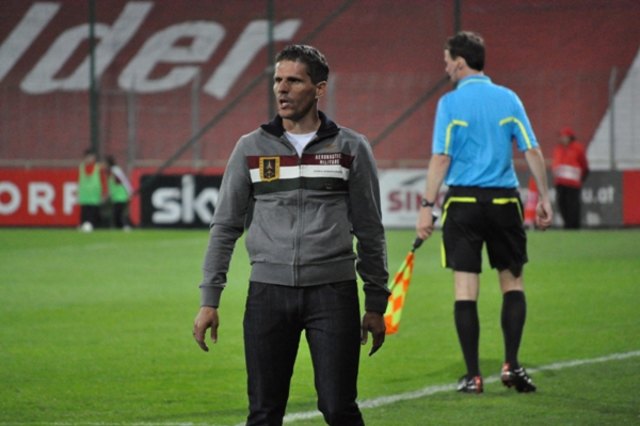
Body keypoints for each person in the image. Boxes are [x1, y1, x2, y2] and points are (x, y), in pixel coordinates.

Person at [192, 44, 389, 425]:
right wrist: (209, 299)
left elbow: (369, 229)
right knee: (264, 412)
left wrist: (376, 301)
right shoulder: (250, 148)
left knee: (338, 408)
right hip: (268, 294)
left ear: (319, 89)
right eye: (278, 80)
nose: (282, 89)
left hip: (333, 294)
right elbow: (225, 226)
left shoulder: (351, 147)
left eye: (294, 81)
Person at [416, 31, 553, 394]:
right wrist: (544, 198)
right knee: (513, 283)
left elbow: (441, 157)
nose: (446, 67)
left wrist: (427, 207)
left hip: (462, 204)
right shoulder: (508, 98)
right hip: (504, 202)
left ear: (460, 62)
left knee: (465, 289)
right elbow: (532, 150)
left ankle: (474, 376)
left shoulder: (450, 103)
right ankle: (512, 365)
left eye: (447, 61)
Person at [552, 126, 589, 229]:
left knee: (573, 205)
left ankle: (574, 226)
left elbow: (584, 164)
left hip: (573, 183)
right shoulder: (558, 149)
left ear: (570, 137)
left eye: (564, 136)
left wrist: (581, 177)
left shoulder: (577, 148)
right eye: (561, 136)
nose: (562, 138)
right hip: (560, 183)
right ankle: (567, 224)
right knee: (562, 204)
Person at [77, 148, 107, 232]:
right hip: (84, 195)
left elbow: (103, 180)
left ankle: (94, 226)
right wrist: (77, 192)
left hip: (95, 194)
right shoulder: (82, 167)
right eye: (88, 157)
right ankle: (83, 225)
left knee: (94, 212)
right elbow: (79, 180)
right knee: (84, 212)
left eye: (91, 157)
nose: (89, 159)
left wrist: (104, 192)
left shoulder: (98, 167)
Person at [105, 155, 133, 230]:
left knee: (118, 213)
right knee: (117, 213)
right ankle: (120, 227)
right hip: (116, 196)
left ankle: (124, 226)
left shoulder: (116, 170)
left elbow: (124, 181)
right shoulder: (110, 171)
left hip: (121, 195)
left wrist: (129, 192)